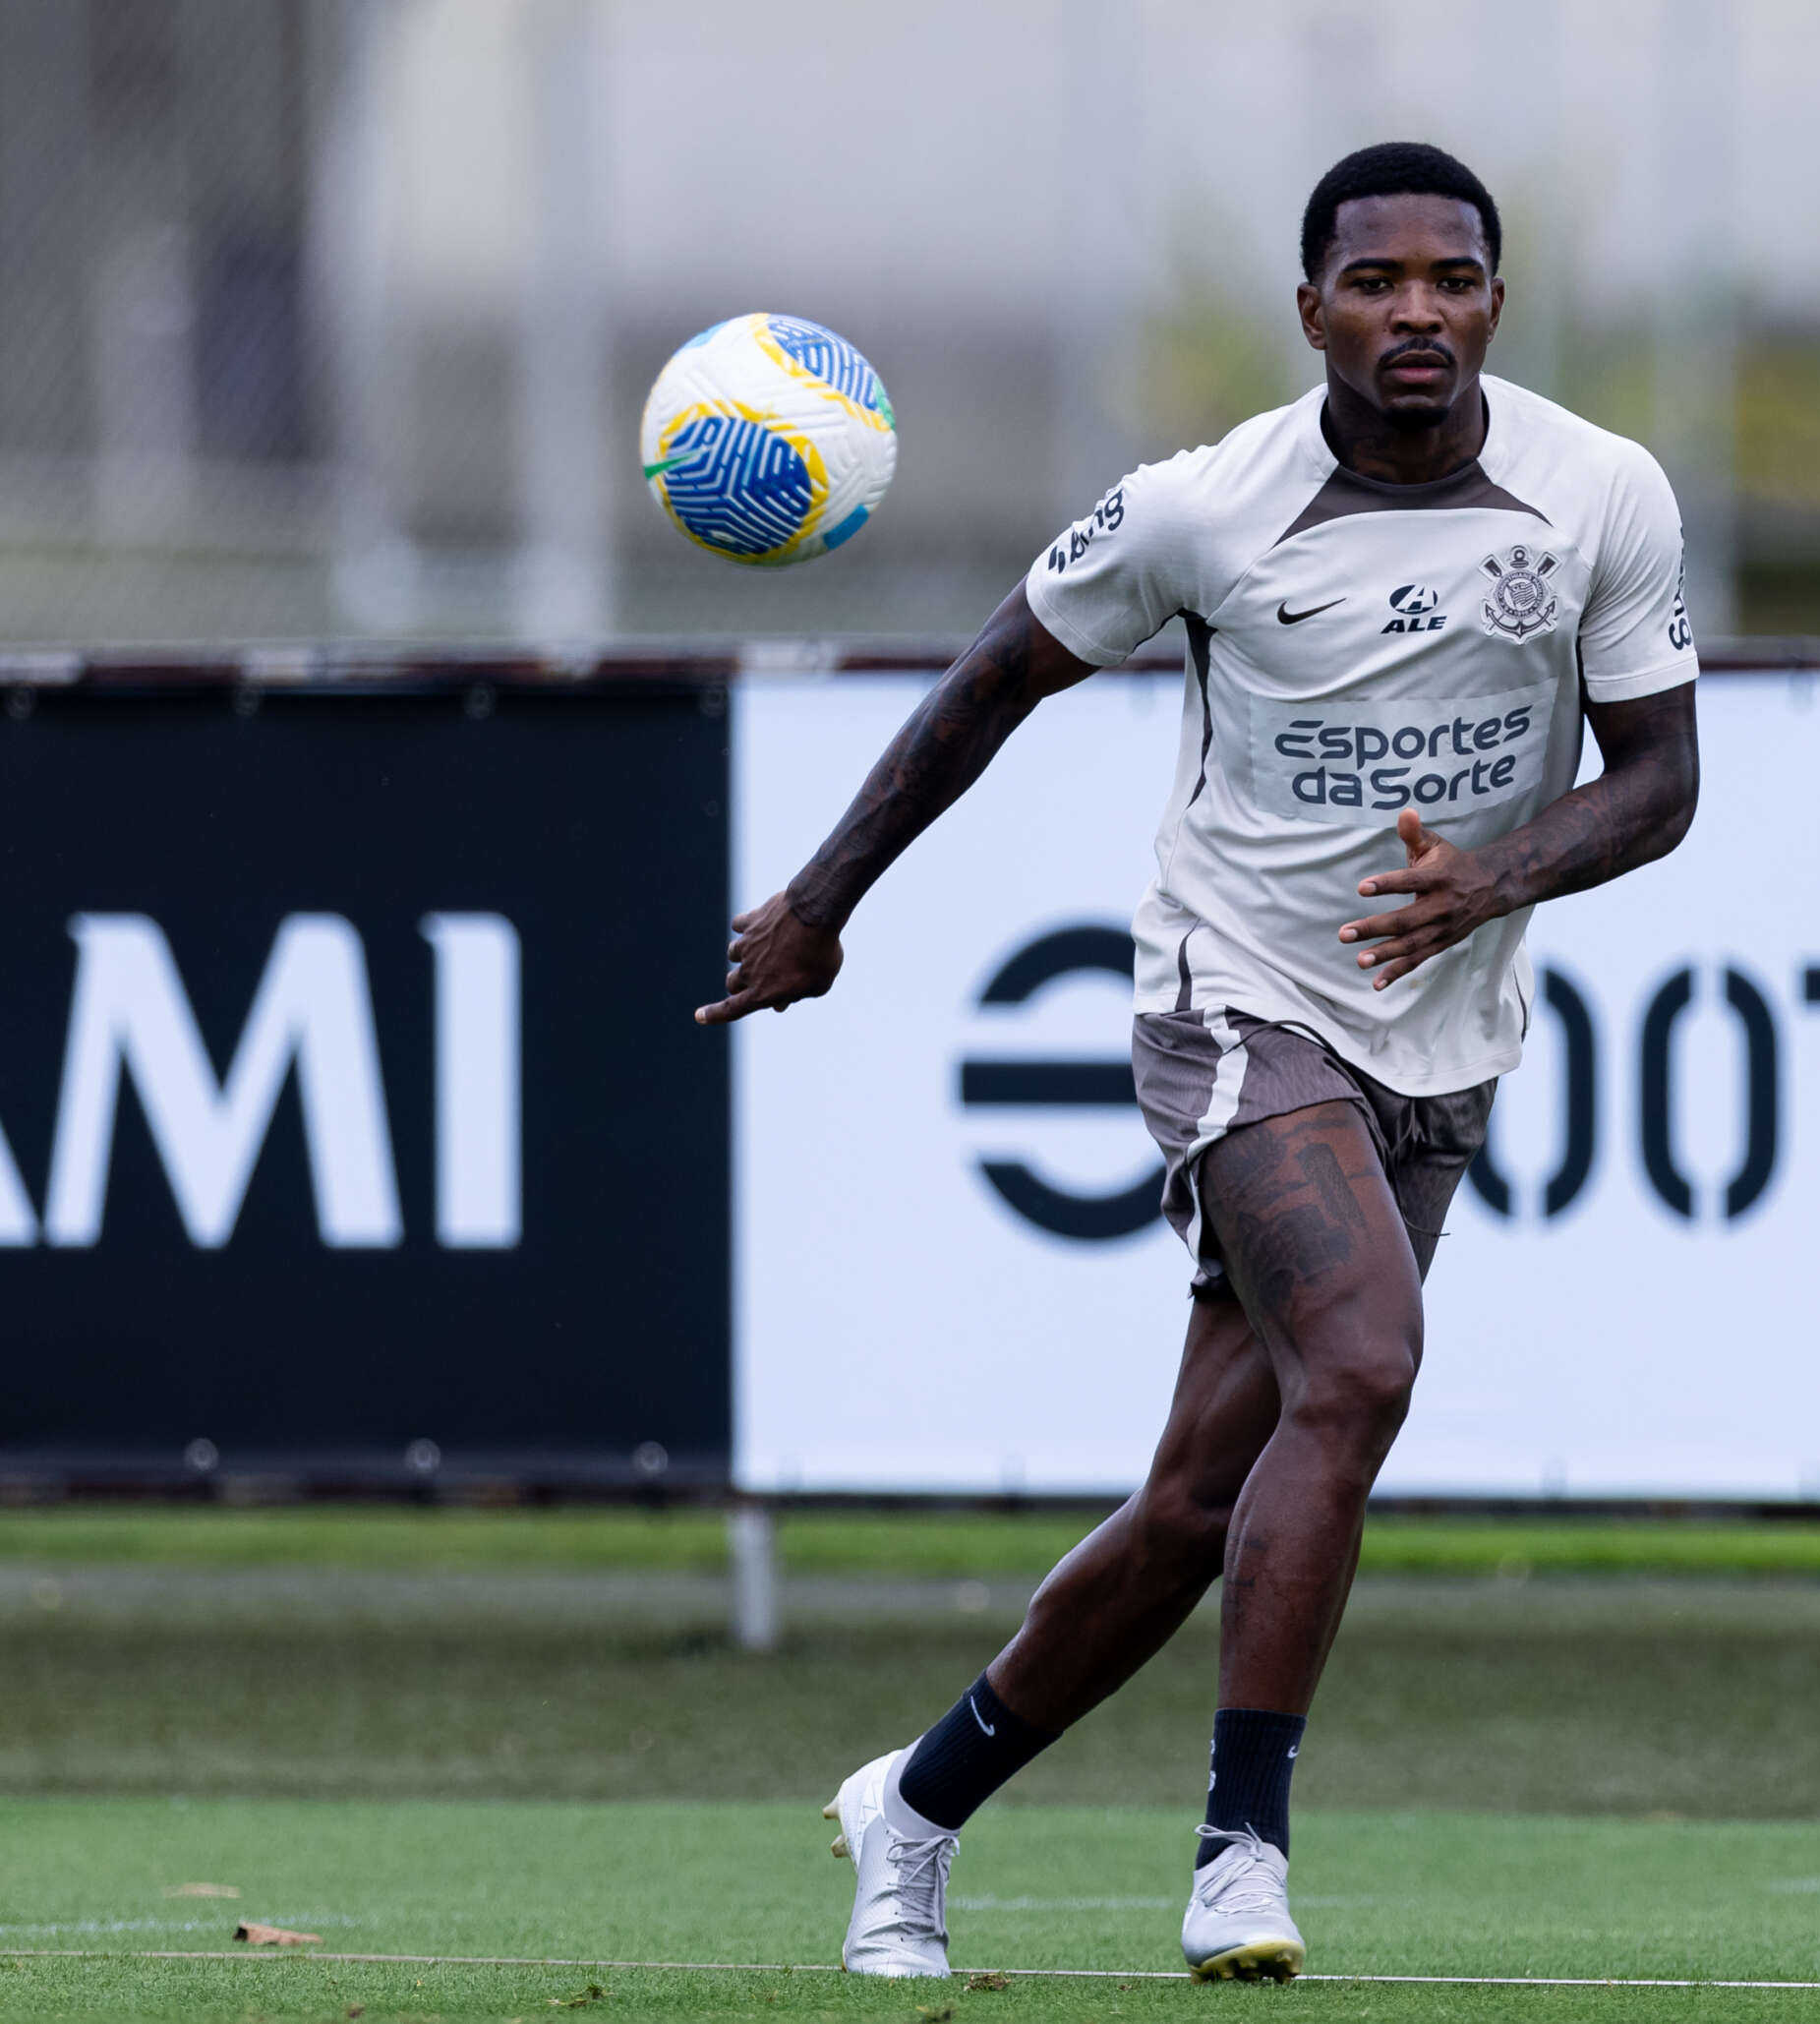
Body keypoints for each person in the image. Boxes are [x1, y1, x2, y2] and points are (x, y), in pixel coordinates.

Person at [695, 140, 1702, 1981]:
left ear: (1495, 299)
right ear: (1309, 307)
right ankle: (1243, 1847)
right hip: (1236, 996)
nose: (1418, 312)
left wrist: (1501, 868)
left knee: (1187, 1511)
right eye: (1377, 282)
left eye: (1452, 280)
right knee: (1371, 1364)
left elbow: (1662, 784)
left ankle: (909, 1809)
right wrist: (823, 903)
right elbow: (991, 678)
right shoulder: (1202, 507)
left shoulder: (1600, 494)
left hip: (1446, 1034)